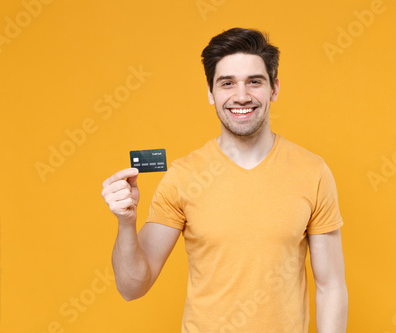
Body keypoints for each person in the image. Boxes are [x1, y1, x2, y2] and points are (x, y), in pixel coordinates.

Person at [102, 27, 348, 332]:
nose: (241, 96)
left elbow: (331, 286)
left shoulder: (313, 172)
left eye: (254, 82)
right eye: (227, 83)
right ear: (210, 92)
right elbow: (132, 287)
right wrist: (125, 222)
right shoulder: (183, 176)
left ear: (274, 89)